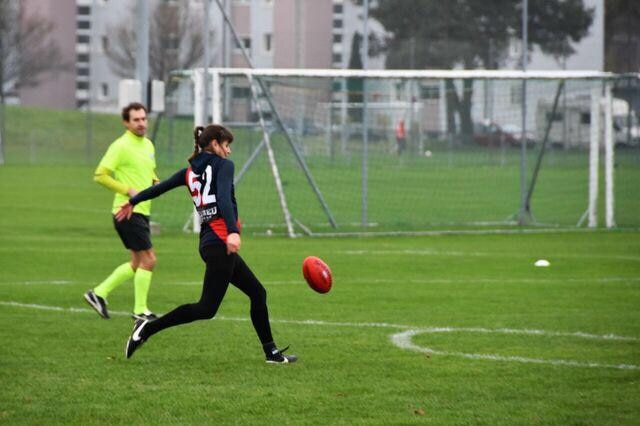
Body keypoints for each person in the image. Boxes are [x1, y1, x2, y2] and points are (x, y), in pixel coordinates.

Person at [117, 124, 297, 364]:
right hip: (221, 242)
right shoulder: (224, 166)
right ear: (214, 143)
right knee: (206, 308)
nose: (229, 151)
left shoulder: (188, 173)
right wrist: (232, 232)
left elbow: (158, 189)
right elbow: (222, 197)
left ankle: (272, 353)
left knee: (257, 293)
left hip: (209, 243)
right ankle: (146, 329)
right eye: (226, 145)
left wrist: (133, 201)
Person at [84, 102, 159, 321]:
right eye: (136, 120)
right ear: (126, 123)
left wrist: (154, 181)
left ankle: (98, 293)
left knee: (137, 263)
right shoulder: (120, 146)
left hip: (142, 211)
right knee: (149, 259)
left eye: (144, 118)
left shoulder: (148, 145)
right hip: (126, 213)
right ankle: (140, 311)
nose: (141, 123)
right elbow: (100, 175)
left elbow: (148, 171)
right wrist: (128, 189)